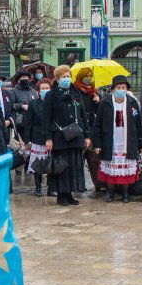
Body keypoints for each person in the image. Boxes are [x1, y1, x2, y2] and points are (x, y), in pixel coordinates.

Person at [41, 64, 89, 206]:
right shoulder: (51, 95)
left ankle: (69, 194)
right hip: (59, 136)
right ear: (57, 79)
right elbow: (46, 118)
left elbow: (83, 115)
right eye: (64, 77)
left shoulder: (76, 93)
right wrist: (48, 138)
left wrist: (87, 135)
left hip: (75, 135)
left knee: (73, 165)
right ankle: (61, 195)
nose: (67, 79)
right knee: (61, 166)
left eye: (68, 76)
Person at [94, 75, 142, 203]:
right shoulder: (105, 103)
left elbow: (138, 123)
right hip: (110, 140)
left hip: (128, 140)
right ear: (113, 89)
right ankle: (110, 192)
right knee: (111, 168)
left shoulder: (132, 103)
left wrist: (140, 141)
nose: (121, 90)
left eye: (123, 87)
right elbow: (97, 125)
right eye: (118, 87)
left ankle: (125, 193)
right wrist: (97, 143)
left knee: (126, 169)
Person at [22, 78, 52, 197]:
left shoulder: (54, 103)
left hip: (51, 138)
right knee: (37, 164)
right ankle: (38, 187)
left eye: (47, 88)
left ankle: (51, 187)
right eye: (42, 88)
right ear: (38, 91)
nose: (45, 90)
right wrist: (27, 140)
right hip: (37, 137)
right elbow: (28, 122)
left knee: (51, 163)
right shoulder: (33, 104)